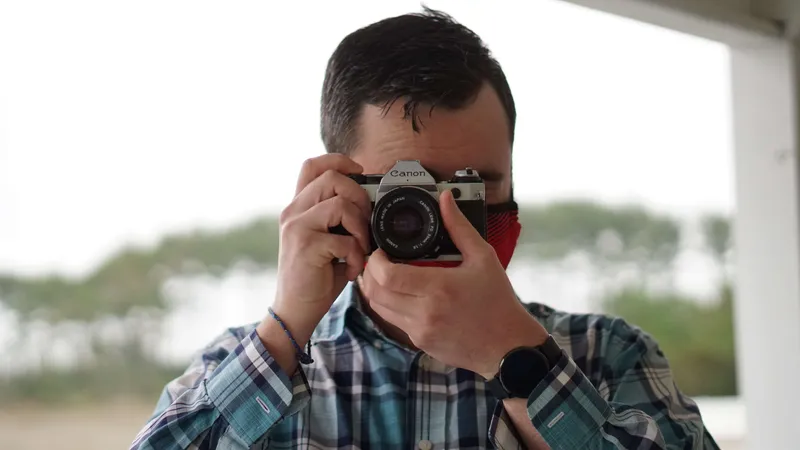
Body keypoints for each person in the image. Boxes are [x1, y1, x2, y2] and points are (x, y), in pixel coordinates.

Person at [131, 8, 719, 450]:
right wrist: (284, 331)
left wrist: (519, 361)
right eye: (407, 190)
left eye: (475, 189)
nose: (443, 216)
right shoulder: (245, 365)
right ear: (335, 188)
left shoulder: (610, 358)